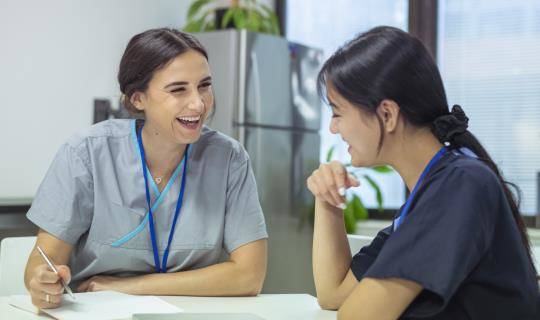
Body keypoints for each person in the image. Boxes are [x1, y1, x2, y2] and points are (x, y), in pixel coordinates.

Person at [24, 28, 268, 309]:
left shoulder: (229, 159)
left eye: (204, 85)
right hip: (98, 311)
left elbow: (249, 276)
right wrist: (42, 281)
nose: (199, 103)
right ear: (138, 99)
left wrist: (130, 287)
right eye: (178, 89)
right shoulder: (87, 152)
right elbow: (42, 262)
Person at [307, 26, 539, 319]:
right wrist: (328, 199)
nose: (333, 128)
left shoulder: (461, 185)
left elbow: (358, 316)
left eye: (338, 112)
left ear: (387, 115)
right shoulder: (431, 192)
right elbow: (333, 294)